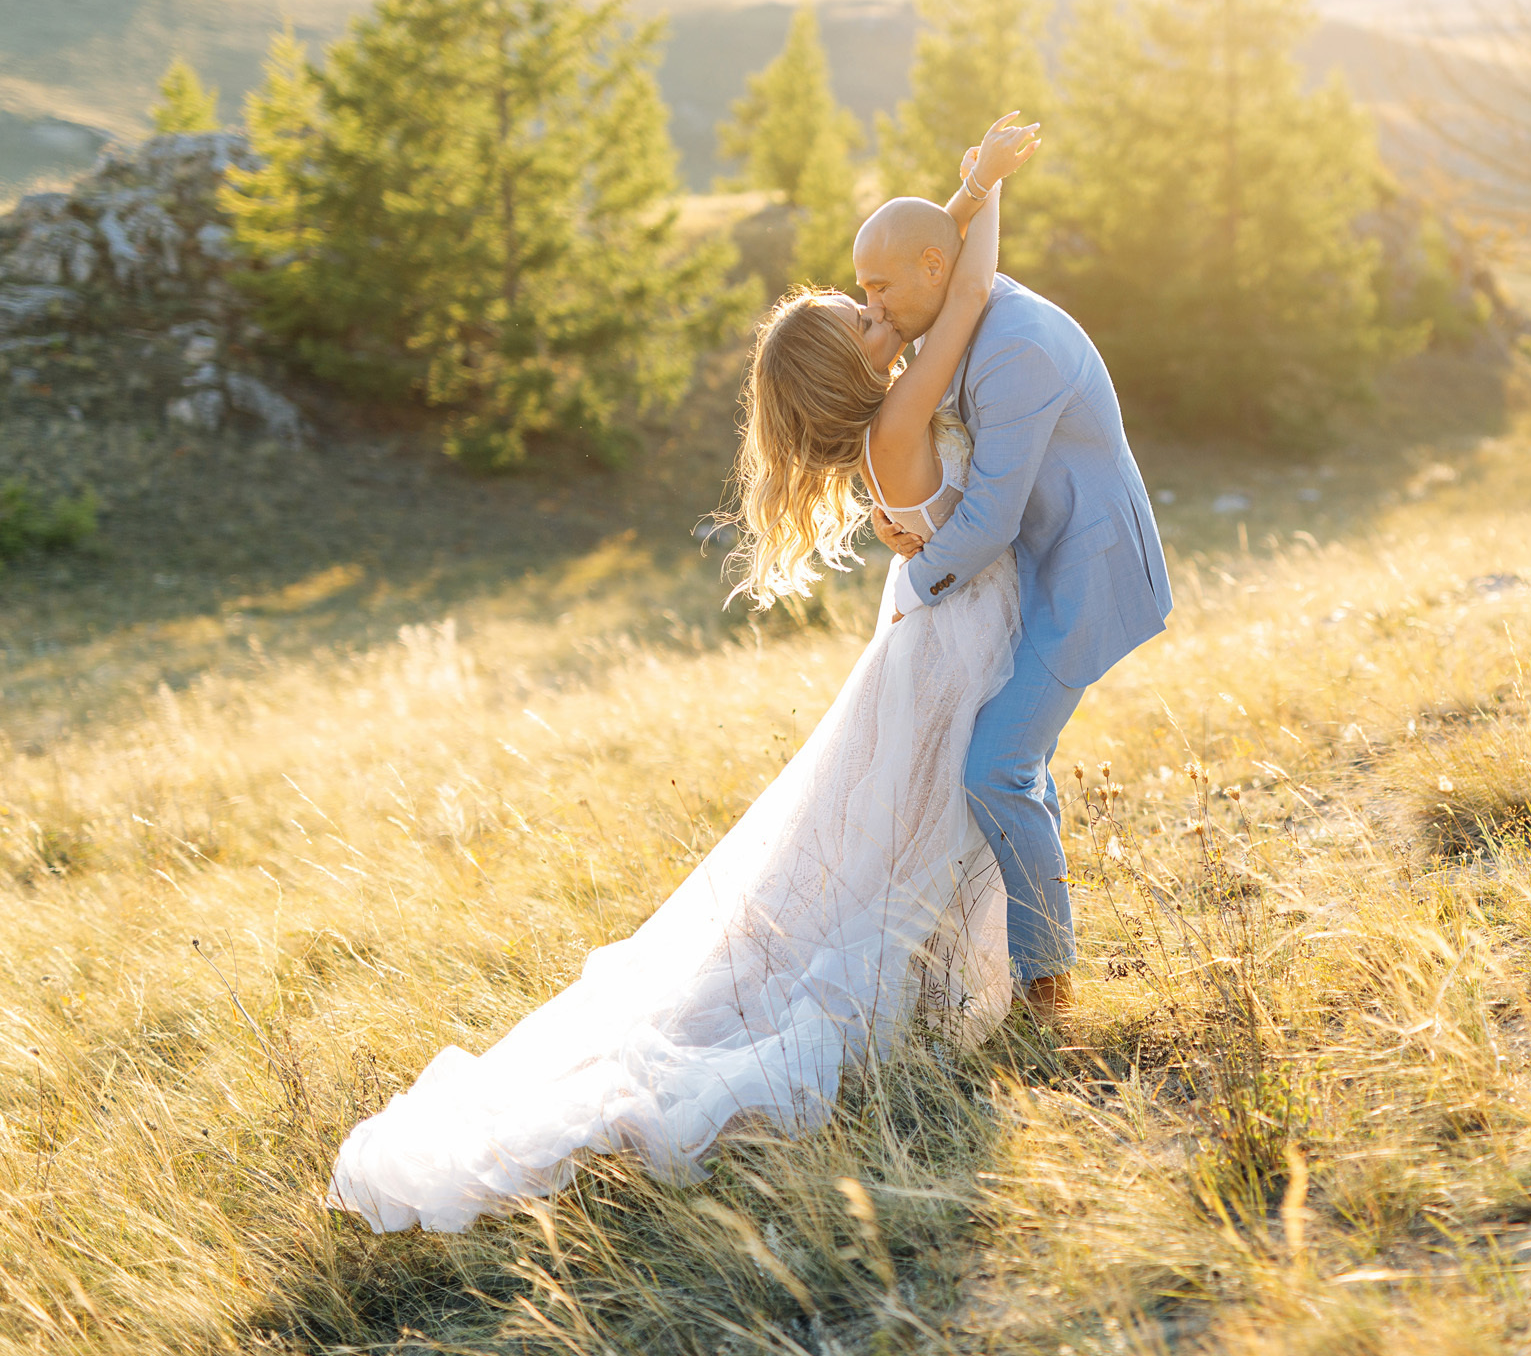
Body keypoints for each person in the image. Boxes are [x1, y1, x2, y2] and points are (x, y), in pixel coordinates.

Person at [326, 116, 1068, 1233]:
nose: (883, 318)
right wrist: (991, 191)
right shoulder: (907, 415)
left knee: (923, 823)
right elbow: (961, 298)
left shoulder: (887, 417)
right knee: (942, 816)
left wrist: (957, 199)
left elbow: (927, 284)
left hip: (933, 626)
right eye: (863, 320)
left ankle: (978, 985)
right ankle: (987, 992)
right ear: (857, 369)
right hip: (958, 636)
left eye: (873, 303)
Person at [854, 130, 1173, 1028]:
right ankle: (1026, 953)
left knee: (997, 767)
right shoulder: (957, 311)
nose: (869, 303)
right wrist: (977, 185)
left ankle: (1048, 993)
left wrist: (914, 587)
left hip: (1082, 573)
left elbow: (990, 519)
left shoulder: (1015, 346)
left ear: (929, 270)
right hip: (1019, 573)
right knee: (1019, 765)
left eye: (880, 289)